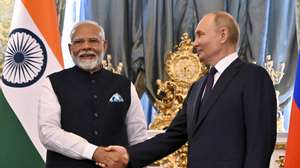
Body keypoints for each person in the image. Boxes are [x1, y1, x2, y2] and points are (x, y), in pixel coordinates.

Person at [102, 11, 277, 168]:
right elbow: (173, 136)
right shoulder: (198, 86)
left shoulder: (254, 77)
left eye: (200, 35)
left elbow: (260, 143)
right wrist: (128, 154)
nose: (195, 43)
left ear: (223, 35)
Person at [38, 20, 147, 168]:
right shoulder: (52, 83)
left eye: (93, 41)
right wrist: (94, 152)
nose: (86, 47)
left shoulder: (124, 85)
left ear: (104, 45)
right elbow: (48, 133)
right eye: (79, 42)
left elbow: (138, 138)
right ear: (70, 48)